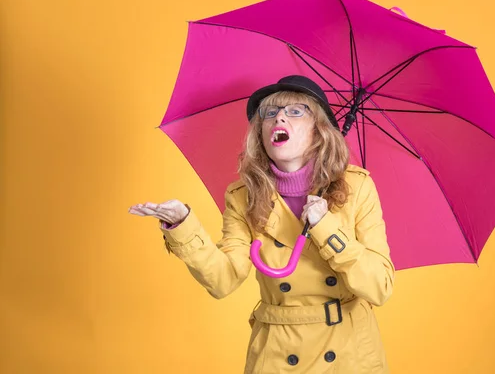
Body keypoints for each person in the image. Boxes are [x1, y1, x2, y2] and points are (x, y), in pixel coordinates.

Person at [128, 75, 395, 373]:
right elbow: (223, 279)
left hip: (350, 352)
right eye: (270, 112)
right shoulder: (242, 197)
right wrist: (183, 226)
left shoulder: (357, 188)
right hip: (279, 352)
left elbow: (379, 288)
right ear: (261, 132)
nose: (279, 116)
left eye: (295, 111)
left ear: (319, 132)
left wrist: (326, 227)